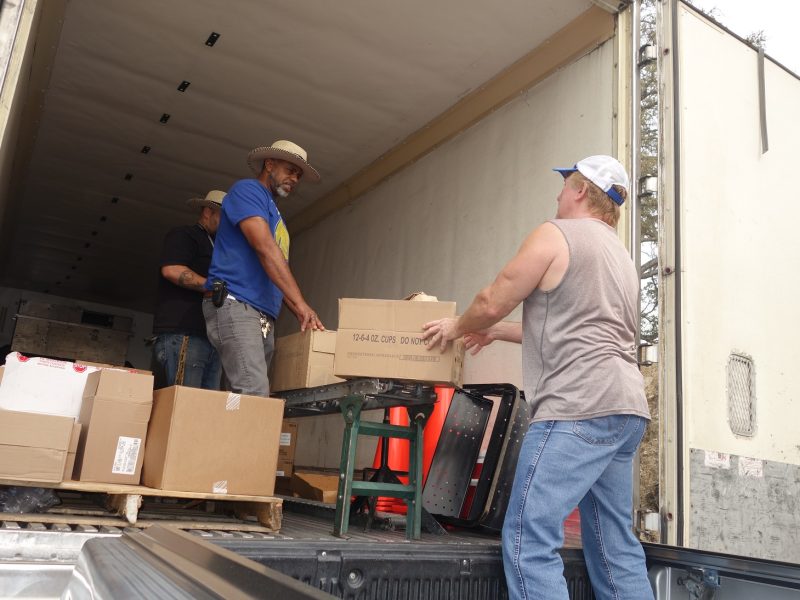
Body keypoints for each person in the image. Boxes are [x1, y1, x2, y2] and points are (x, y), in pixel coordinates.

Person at [422, 155, 653, 600]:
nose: (558, 193)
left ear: (582, 190)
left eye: (565, 185)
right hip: (624, 410)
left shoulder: (557, 233)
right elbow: (574, 327)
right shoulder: (620, 258)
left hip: (577, 409)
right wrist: (493, 332)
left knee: (530, 536)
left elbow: (492, 298)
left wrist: (460, 325)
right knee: (614, 546)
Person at [203, 140, 325, 397]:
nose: (295, 179)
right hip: (238, 304)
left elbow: (275, 269)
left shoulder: (273, 212)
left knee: (241, 398)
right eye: (291, 170)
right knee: (253, 393)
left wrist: (302, 312)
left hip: (260, 315)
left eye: (299, 175)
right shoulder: (248, 190)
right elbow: (266, 249)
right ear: (269, 164)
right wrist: (301, 304)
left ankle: (227, 437)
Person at [152, 190, 225, 390]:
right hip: (184, 333)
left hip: (210, 337)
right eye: (224, 217)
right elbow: (172, 270)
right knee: (185, 404)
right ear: (208, 212)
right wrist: (212, 287)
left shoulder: (219, 247)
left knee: (204, 408)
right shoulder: (185, 235)